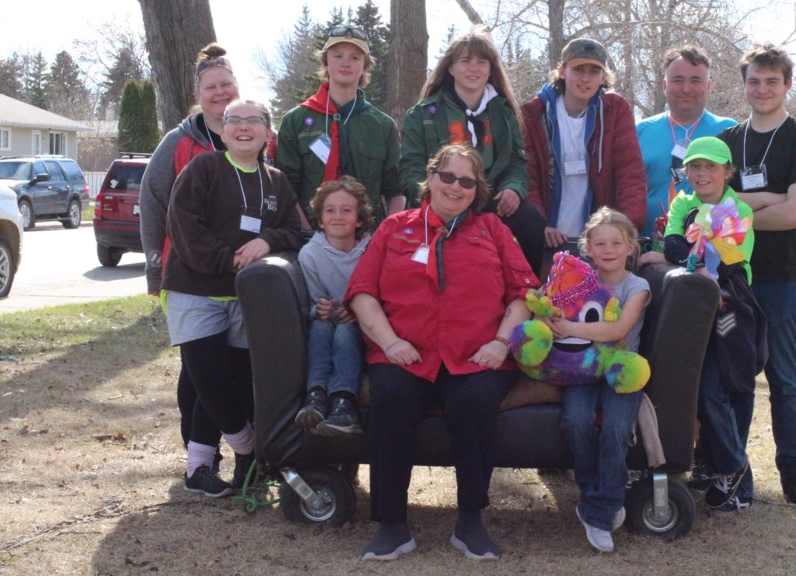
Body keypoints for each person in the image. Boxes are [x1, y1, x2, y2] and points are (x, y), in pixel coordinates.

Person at [346, 144, 537, 561]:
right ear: (430, 179)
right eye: (447, 176)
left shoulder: (493, 230)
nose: (455, 186)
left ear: (477, 189)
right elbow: (361, 293)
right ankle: (392, 526)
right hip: (404, 354)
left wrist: (501, 341)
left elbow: (524, 293)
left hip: (477, 354)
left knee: (474, 401)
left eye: (466, 181)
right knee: (392, 398)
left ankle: (470, 521)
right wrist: (390, 342)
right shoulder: (395, 227)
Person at [163, 99, 303, 496]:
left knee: (237, 381)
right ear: (222, 132)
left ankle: (199, 468)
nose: (244, 127)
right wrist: (229, 262)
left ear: (267, 133)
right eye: (234, 121)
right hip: (197, 290)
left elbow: (294, 230)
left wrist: (266, 240)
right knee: (207, 379)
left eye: (253, 121)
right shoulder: (204, 168)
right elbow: (185, 226)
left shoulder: (275, 180)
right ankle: (245, 449)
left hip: (247, 300)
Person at [719, 43, 796, 510]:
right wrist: (766, 200)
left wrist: (741, 210)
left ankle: (794, 472)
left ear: (787, 86)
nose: (762, 89)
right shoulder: (729, 141)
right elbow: (714, 207)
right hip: (736, 275)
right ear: (744, 86)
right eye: (754, 81)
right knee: (735, 376)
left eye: (771, 81)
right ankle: (734, 470)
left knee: (783, 378)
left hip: (782, 276)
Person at [139, 43, 238, 488]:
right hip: (187, 276)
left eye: (227, 84)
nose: (220, 93)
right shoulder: (179, 143)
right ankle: (201, 459)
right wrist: (155, 269)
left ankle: (233, 452)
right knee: (197, 370)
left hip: (240, 278)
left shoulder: (255, 135)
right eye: (211, 87)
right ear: (198, 95)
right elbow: (152, 202)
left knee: (229, 368)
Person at [640, 136, 757, 512]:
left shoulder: (738, 209)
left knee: (720, 385)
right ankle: (711, 464)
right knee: (693, 386)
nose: (702, 173)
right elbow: (676, 243)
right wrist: (682, 254)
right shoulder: (682, 202)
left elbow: (723, 257)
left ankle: (737, 471)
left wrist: (682, 254)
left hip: (729, 305)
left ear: (728, 171)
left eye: (711, 166)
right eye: (695, 167)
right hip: (692, 302)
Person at [399, 26, 545, 276]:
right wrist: (438, 197)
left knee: (530, 220)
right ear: (451, 68)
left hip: (492, 202)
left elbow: (517, 163)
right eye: (465, 61)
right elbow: (410, 169)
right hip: (441, 201)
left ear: (491, 70)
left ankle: (524, 295)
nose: (473, 68)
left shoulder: (504, 112)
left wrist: (513, 189)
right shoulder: (422, 114)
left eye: (482, 61)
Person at [546, 207, 649, 553]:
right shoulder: (578, 282)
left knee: (617, 428)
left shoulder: (638, 286)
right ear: (587, 248)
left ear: (630, 246)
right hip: (581, 367)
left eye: (616, 243)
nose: (608, 250)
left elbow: (618, 329)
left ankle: (601, 512)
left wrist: (571, 328)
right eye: (600, 243)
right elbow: (550, 309)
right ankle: (595, 497)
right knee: (575, 420)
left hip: (620, 369)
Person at [522, 38, 646, 261]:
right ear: (562, 71)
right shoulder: (534, 113)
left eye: (594, 71)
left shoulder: (615, 109)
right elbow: (527, 176)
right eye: (578, 69)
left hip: (598, 244)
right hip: (547, 238)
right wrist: (538, 225)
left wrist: (625, 227)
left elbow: (630, 173)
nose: (585, 78)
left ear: (603, 77)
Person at [276, 24, 405, 227]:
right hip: (311, 236)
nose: (346, 63)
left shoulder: (382, 125)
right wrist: (306, 232)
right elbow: (286, 187)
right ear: (326, 62)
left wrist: (384, 236)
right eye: (337, 56)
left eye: (355, 57)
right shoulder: (296, 120)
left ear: (365, 66)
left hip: (368, 239)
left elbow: (395, 190)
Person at [295, 176, 372, 436]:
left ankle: (343, 402)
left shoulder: (372, 249)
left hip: (363, 326)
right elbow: (311, 304)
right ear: (320, 219)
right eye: (330, 210)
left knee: (344, 331)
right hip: (328, 325)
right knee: (320, 326)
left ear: (359, 219)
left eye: (346, 210)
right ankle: (315, 394)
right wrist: (320, 310)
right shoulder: (310, 254)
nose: (338, 216)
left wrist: (359, 313)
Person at [636, 45, 737, 240]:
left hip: (710, 249)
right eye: (678, 80)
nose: (686, 88)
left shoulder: (729, 131)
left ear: (708, 86)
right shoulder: (640, 131)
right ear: (665, 86)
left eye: (695, 80)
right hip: (648, 247)